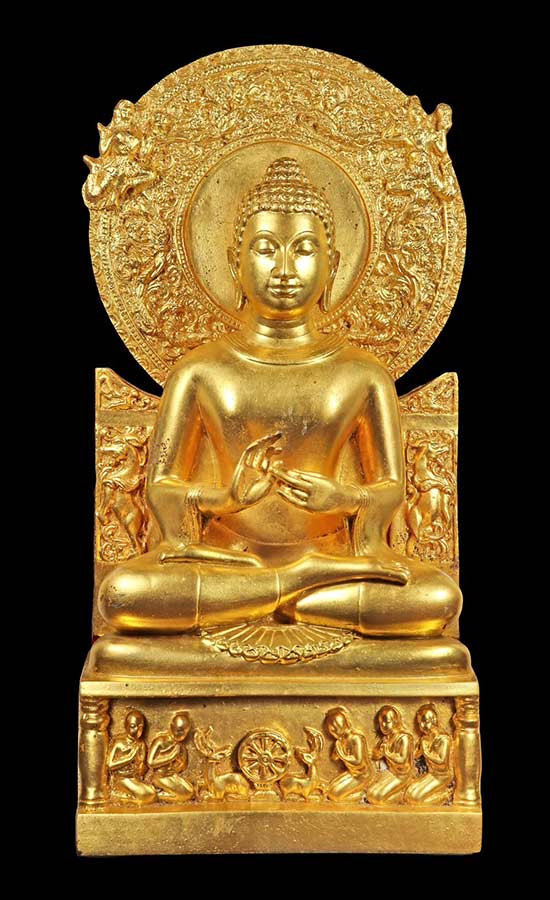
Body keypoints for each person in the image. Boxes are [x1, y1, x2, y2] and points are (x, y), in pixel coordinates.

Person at [98, 157, 462, 636]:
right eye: (266, 248)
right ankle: (293, 587)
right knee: (123, 593)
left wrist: (344, 498)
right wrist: (225, 498)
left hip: (333, 559)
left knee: (437, 597)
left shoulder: (363, 374)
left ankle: (273, 592)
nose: (285, 269)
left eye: (305, 249)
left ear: (333, 265)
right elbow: (163, 486)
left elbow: (390, 487)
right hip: (226, 560)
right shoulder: (199, 371)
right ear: (235, 262)